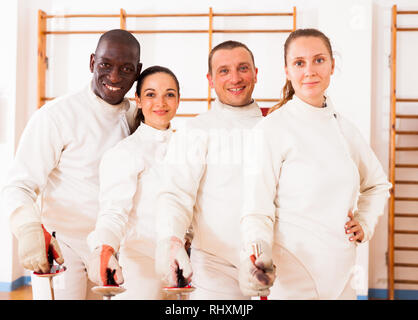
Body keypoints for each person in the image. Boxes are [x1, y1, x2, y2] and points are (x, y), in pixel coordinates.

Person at [238, 28, 391, 300]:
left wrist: (365, 222)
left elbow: (378, 184)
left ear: (332, 65)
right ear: (287, 70)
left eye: (319, 60)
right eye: (299, 63)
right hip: (292, 276)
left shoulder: (345, 129)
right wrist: (260, 256)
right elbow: (256, 209)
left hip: (343, 274)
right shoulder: (271, 129)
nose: (309, 70)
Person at [1, 29, 142, 300]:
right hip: (64, 245)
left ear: (137, 71)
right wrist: (27, 227)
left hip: (113, 246)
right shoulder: (56, 116)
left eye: (125, 69)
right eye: (105, 65)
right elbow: (18, 184)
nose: (114, 77)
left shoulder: (137, 117)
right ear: (92, 63)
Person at [155, 40, 263, 299]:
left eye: (243, 68)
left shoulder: (274, 129)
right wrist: (172, 240)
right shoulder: (195, 131)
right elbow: (175, 194)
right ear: (211, 79)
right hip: (215, 267)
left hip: (270, 261)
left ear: (256, 73)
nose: (235, 78)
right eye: (224, 71)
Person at [86, 66, 180, 299]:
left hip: (182, 262)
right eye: (150, 94)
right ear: (137, 99)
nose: (161, 102)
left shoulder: (186, 147)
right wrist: (105, 246)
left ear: (179, 99)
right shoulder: (125, 153)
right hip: (141, 267)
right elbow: (113, 212)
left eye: (169, 94)